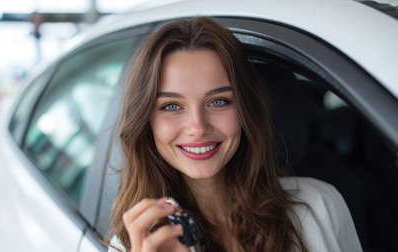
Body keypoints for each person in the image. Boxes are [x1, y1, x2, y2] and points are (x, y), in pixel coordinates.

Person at [108, 17, 362, 252]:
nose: (198, 127)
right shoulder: (132, 245)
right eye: (171, 106)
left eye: (218, 101)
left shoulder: (320, 206)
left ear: (246, 109)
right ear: (145, 122)